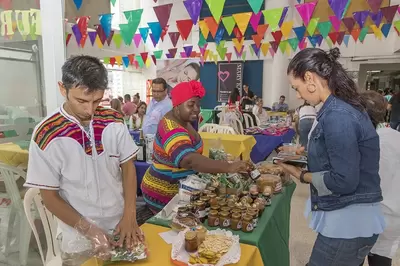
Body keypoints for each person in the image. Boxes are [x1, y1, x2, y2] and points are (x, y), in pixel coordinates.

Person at [24, 55, 143, 265]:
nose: (90, 110)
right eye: (81, 101)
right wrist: (90, 231)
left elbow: (128, 167)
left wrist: (129, 215)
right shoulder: (47, 133)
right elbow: (49, 198)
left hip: (120, 225)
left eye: (96, 101)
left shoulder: (113, 120)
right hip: (77, 236)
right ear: (63, 89)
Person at [277, 48, 384, 266]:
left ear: (309, 78)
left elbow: (344, 180)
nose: (298, 95)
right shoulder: (340, 108)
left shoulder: (337, 114)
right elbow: (339, 156)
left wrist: (302, 175)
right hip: (352, 221)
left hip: (348, 224)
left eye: (296, 88)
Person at [141, 81, 250, 213]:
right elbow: (189, 160)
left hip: (185, 189)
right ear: (176, 107)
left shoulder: (185, 121)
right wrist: (228, 166)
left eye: (198, 105)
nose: (196, 109)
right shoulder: (170, 128)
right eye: (191, 105)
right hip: (165, 195)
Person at [360, 91, 400, 266]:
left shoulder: (368, 142)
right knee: (382, 260)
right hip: (394, 217)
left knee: (354, 258)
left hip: (369, 214)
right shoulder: (394, 136)